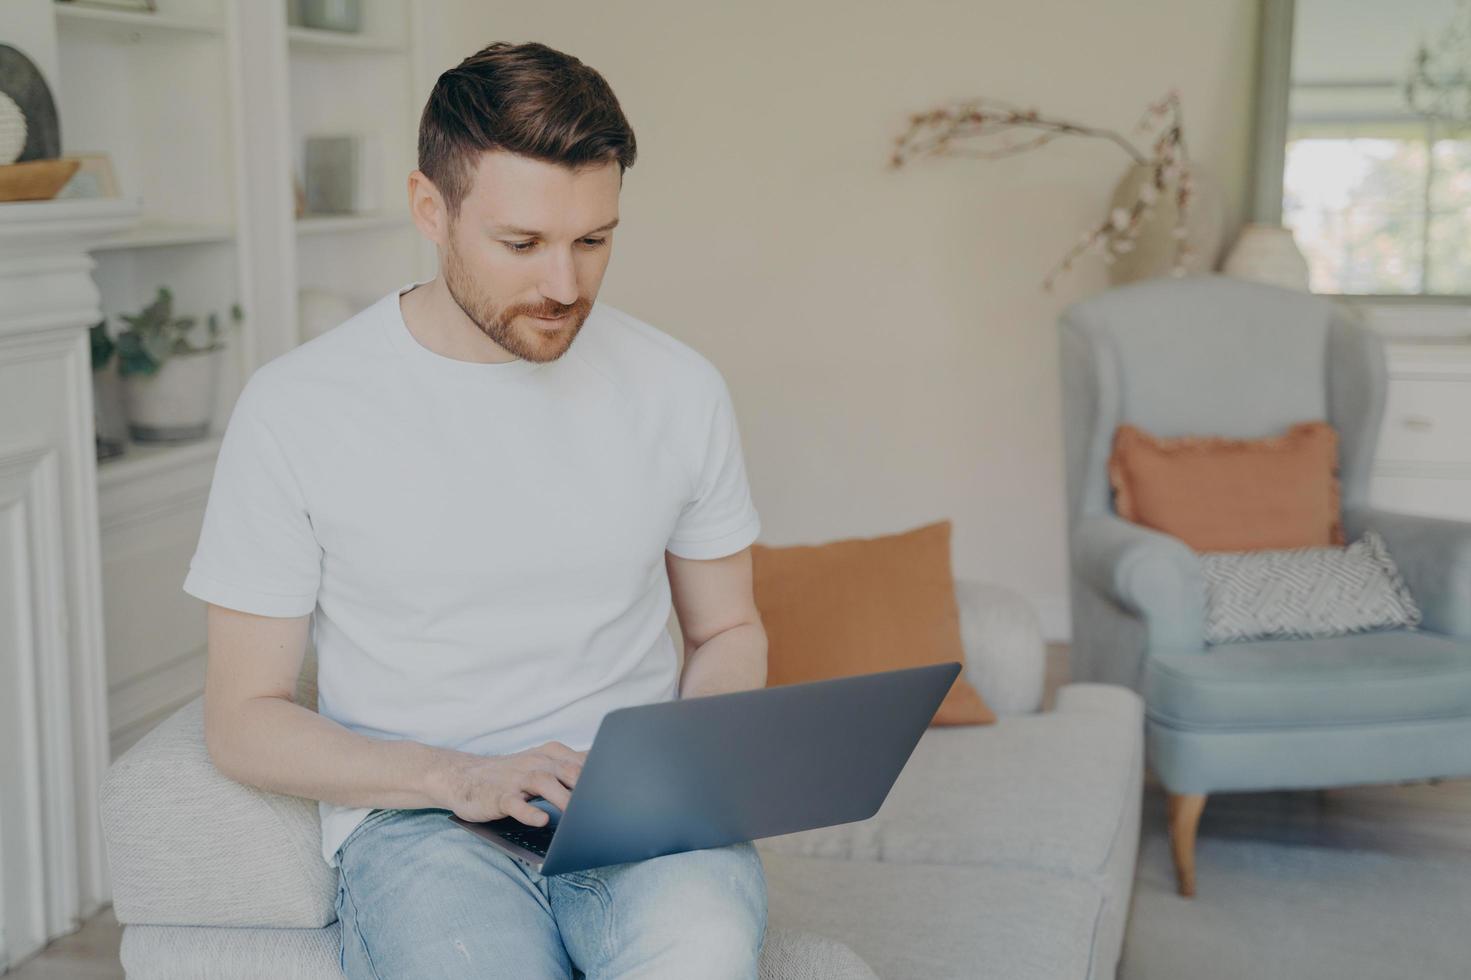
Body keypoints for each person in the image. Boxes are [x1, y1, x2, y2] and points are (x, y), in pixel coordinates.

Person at [187, 39, 769, 979]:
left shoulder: (678, 387)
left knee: (699, 954)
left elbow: (730, 626)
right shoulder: (299, 408)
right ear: (431, 208)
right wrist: (455, 777)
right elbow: (242, 717)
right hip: (421, 827)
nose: (564, 287)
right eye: (521, 244)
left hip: (635, 817)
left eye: (593, 240)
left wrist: (683, 773)